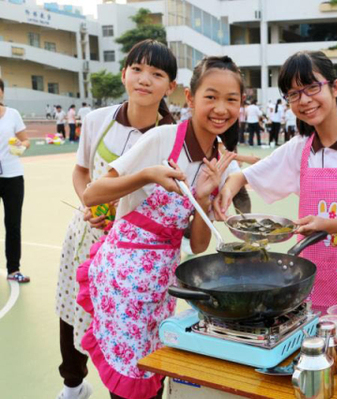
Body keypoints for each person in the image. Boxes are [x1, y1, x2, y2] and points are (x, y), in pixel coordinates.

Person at [76, 55, 240, 399]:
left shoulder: (219, 159)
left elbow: (197, 245)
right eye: (211, 96)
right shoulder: (162, 139)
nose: (220, 108)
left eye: (231, 99)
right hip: (123, 278)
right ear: (190, 98)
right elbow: (93, 193)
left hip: (162, 281)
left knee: (154, 369)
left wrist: (205, 197)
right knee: (131, 384)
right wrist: (148, 174)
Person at [213, 51, 337, 312]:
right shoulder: (300, 148)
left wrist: (328, 224)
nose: (304, 100)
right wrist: (228, 190)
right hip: (313, 277)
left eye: (312, 87)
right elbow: (242, 176)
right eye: (294, 94)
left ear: (335, 87)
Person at [55, 40, 178, 399]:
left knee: (133, 336)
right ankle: (73, 384)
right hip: (86, 238)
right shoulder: (97, 120)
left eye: (157, 74)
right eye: (137, 70)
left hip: (136, 258)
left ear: (170, 87)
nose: (144, 80)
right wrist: (90, 204)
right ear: (124, 74)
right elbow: (81, 172)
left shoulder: (170, 137)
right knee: (71, 312)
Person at [0, 78, 31, 283]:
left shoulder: (13, 115)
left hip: (12, 177)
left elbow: (26, 140)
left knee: (13, 224)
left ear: (2, 92)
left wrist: (21, 145)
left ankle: (13, 270)